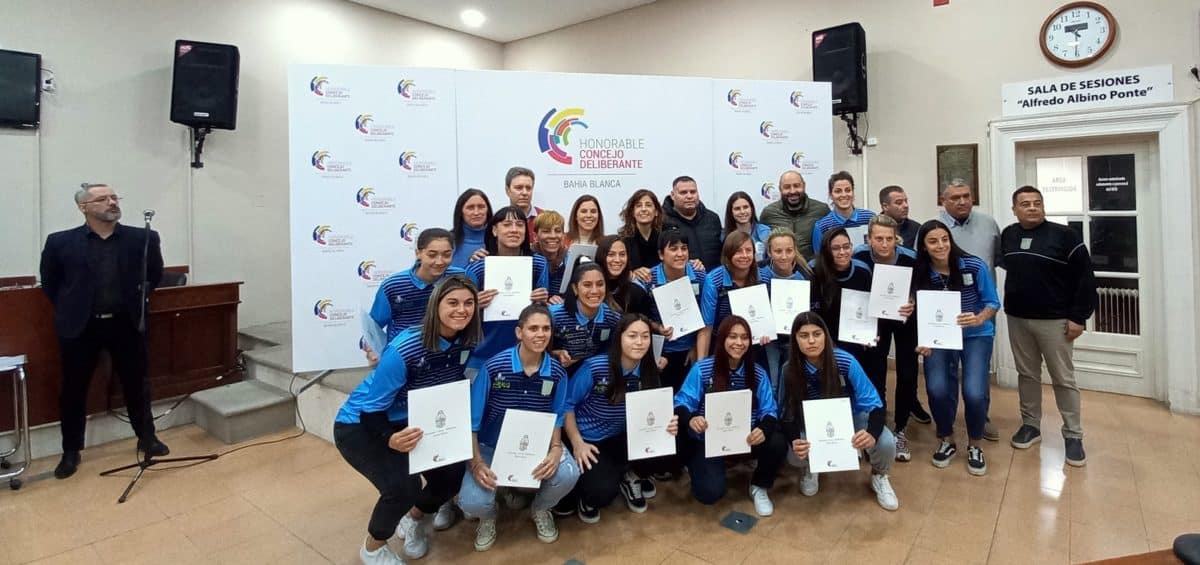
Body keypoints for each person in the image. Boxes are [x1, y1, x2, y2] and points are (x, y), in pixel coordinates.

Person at [334, 275, 482, 564]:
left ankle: (413, 519)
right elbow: (371, 409)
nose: (461, 310)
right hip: (362, 424)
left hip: (416, 419)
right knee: (402, 488)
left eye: (468, 303)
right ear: (436, 305)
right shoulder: (406, 347)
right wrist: (389, 438)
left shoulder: (467, 341)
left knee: (451, 475)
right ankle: (373, 549)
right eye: (452, 303)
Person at [40, 183, 167, 479]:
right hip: (81, 326)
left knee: (137, 384)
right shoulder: (60, 242)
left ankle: (147, 437)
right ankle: (71, 451)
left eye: (113, 197)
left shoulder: (142, 238)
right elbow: (51, 283)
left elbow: (154, 275)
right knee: (74, 389)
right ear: (83, 207)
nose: (112, 202)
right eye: (102, 199)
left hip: (126, 323)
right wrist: (73, 307)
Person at [459, 305, 580, 552]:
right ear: (519, 332)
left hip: (535, 444)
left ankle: (540, 509)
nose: (540, 334)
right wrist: (477, 462)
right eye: (533, 328)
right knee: (471, 502)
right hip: (491, 445)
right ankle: (488, 516)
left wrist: (556, 448)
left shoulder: (557, 372)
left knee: (568, 473)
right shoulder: (494, 367)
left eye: (546, 328)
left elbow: (557, 415)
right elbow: (472, 420)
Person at [1001, 186, 1097, 467]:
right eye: (1025, 204)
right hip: (1018, 318)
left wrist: (1079, 316)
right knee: (1027, 374)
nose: (1032, 207)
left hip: (1056, 321)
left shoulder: (1065, 236)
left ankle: (1073, 435)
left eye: (1037, 203)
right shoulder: (1009, 234)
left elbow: (1085, 278)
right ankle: (1031, 425)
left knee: (1063, 378)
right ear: (1014, 209)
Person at [561, 314, 680, 522]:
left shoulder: (649, 369)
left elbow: (654, 409)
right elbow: (567, 405)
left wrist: (668, 424)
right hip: (591, 440)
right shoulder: (595, 367)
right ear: (619, 338)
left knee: (672, 447)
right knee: (601, 492)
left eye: (645, 336)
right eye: (632, 336)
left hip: (626, 436)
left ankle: (631, 477)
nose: (639, 342)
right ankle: (588, 495)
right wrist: (577, 442)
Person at [780, 311, 899, 511]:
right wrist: (795, 440)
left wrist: (871, 433)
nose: (811, 341)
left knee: (886, 442)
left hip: (852, 417)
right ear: (795, 339)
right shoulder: (789, 369)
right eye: (804, 335)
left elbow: (875, 403)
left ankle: (879, 475)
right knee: (794, 453)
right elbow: (787, 413)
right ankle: (812, 467)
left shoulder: (845, 361)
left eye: (817, 334)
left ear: (825, 335)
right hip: (811, 423)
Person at [673, 316, 785, 515]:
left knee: (777, 441)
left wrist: (763, 429)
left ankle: (759, 486)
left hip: (746, 439)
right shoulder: (702, 369)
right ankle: (701, 467)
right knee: (709, 493)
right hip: (708, 441)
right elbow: (681, 402)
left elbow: (769, 410)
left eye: (744, 337)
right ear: (722, 338)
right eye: (732, 337)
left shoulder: (758, 373)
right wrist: (692, 419)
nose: (739, 343)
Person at [913, 220, 1000, 475]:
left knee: (974, 392)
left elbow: (993, 303)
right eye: (933, 241)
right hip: (939, 339)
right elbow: (920, 309)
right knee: (937, 388)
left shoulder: (973, 265)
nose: (940, 245)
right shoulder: (921, 272)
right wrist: (923, 339)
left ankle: (975, 444)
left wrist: (979, 318)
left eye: (944, 239)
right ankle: (946, 439)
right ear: (924, 247)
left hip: (976, 335)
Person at [852, 215, 926, 462]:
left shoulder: (910, 258)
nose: (884, 244)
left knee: (907, 373)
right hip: (875, 320)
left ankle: (901, 429)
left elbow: (921, 288)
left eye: (889, 238)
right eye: (879, 238)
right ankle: (878, 426)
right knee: (875, 372)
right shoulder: (860, 256)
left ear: (897, 239)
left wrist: (913, 301)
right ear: (869, 239)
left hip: (905, 319)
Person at [938, 178, 1003, 441]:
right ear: (943, 201)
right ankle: (948, 421)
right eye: (955, 198)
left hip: (981, 313)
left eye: (966, 196)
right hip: (944, 317)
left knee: (978, 371)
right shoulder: (934, 229)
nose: (962, 201)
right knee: (946, 373)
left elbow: (995, 261)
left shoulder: (989, 224)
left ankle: (980, 418)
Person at [465, 207, 551, 366]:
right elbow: (461, 312)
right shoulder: (478, 267)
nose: (514, 230)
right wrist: (473, 304)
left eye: (519, 225)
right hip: (484, 353)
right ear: (494, 230)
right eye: (507, 224)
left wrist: (542, 301)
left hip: (527, 353)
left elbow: (543, 313)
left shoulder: (538, 263)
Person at [367, 228, 466, 354]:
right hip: (405, 352)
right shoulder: (393, 285)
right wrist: (376, 352)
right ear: (418, 253)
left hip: (448, 353)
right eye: (432, 255)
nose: (439, 261)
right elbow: (374, 326)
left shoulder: (460, 277)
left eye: (447, 254)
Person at [637, 231, 706, 392]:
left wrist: (696, 348)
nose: (680, 254)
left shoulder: (699, 275)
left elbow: (706, 315)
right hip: (661, 352)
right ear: (661, 254)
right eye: (673, 249)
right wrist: (658, 327)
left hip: (691, 350)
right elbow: (638, 317)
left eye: (684, 248)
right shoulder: (649, 279)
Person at [758, 228, 814, 393]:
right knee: (772, 383)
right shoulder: (759, 275)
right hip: (768, 340)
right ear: (769, 252)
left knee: (792, 383)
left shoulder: (804, 277)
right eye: (778, 251)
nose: (784, 256)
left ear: (795, 251)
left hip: (793, 338)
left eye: (789, 251)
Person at [809, 227, 874, 365]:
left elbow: (870, 307)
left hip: (853, 336)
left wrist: (869, 333)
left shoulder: (862, 270)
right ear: (826, 250)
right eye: (836, 248)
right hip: (820, 337)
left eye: (846, 246)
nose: (842, 252)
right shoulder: (812, 270)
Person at [697, 231, 766, 358]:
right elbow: (706, 327)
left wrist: (766, 331)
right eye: (738, 251)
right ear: (728, 253)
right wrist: (701, 364)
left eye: (748, 250)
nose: (744, 255)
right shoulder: (714, 280)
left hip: (754, 343)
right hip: (720, 342)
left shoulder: (763, 277)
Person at [549, 262, 621, 372]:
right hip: (558, 371)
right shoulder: (554, 315)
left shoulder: (613, 318)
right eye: (587, 285)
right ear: (575, 289)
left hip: (594, 372)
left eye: (600, 284)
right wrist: (557, 354)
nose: (594, 291)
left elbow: (614, 352)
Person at [759, 170, 830, 259]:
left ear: (804, 186)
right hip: (781, 267)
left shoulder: (822, 211)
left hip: (814, 267)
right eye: (787, 187)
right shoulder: (768, 213)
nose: (792, 191)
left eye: (796, 186)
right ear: (780, 189)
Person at [662, 175, 724, 270]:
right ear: (673, 195)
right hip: (680, 277)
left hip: (715, 277)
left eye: (693, 192)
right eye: (683, 192)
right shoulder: (662, 221)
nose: (689, 196)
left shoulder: (713, 218)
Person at [812, 171, 876, 252]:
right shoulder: (822, 227)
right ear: (830, 195)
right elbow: (820, 257)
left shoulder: (870, 218)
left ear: (853, 192)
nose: (844, 195)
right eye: (838, 191)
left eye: (848, 190)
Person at [596, 235, 653, 318]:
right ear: (601, 256)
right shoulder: (593, 289)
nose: (617, 260)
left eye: (622, 254)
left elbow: (646, 322)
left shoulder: (636, 292)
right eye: (611, 254)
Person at [618, 189, 665, 282]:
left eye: (648, 205)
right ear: (632, 212)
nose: (643, 209)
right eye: (639, 206)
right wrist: (632, 273)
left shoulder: (665, 237)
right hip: (636, 286)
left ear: (656, 212)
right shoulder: (622, 240)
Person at [722, 191, 771, 263]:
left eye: (745, 207)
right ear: (731, 212)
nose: (742, 212)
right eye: (737, 209)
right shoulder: (724, 236)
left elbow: (771, 259)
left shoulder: (765, 232)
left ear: (751, 209)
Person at [451, 188, 493, 268]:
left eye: (481, 207)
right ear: (461, 211)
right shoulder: (448, 242)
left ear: (488, 210)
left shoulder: (499, 240)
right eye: (470, 208)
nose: (476, 212)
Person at [533, 211, 567, 302]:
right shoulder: (528, 259)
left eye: (558, 231)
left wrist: (563, 300)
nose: (553, 236)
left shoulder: (569, 260)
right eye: (546, 231)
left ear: (563, 235)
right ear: (535, 236)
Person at [504, 166, 541, 243]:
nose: (525, 192)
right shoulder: (499, 220)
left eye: (528, 188)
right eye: (519, 188)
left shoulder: (545, 218)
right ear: (507, 191)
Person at [878, 185, 920, 251]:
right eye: (899, 203)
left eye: (906, 201)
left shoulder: (916, 229)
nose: (906, 205)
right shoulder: (873, 228)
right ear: (885, 206)